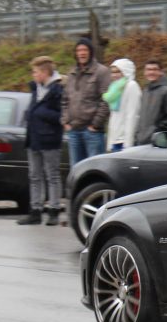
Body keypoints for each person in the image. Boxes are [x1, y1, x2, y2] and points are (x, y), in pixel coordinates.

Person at [19, 56, 64, 226]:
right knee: (34, 176)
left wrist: (40, 113)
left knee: (51, 175)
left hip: (50, 138)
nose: (33, 75)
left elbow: (61, 116)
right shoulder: (35, 89)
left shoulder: (57, 90)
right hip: (34, 138)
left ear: (45, 72)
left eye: (36, 72)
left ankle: (54, 210)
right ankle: (35, 210)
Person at [61, 36, 111, 166]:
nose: (82, 53)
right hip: (74, 131)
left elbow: (106, 100)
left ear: (90, 52)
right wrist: (65, 121)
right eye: (79, 50)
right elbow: (65, 99)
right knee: (76, 171)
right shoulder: (71, 73)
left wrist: (95, 124)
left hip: (92, 132)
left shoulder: (102, 72)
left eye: (84, 50)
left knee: (94, 169)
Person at [135, 59, 167, 146]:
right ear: (144, 72)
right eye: (148, 69)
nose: (151, 72)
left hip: (157, 142)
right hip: (141, 141)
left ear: (160, 72)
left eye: (154, 69)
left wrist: (156, 131)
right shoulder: (145, 91)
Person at [104, 58, 142, 152]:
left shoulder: (131, 86)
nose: (114, 75)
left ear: (126, 71)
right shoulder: (114, 88)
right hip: (116, 140)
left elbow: (132, 116)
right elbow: (114, 117)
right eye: (112, 72)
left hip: (124, 141)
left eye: (118, 72)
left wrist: (128, 145)